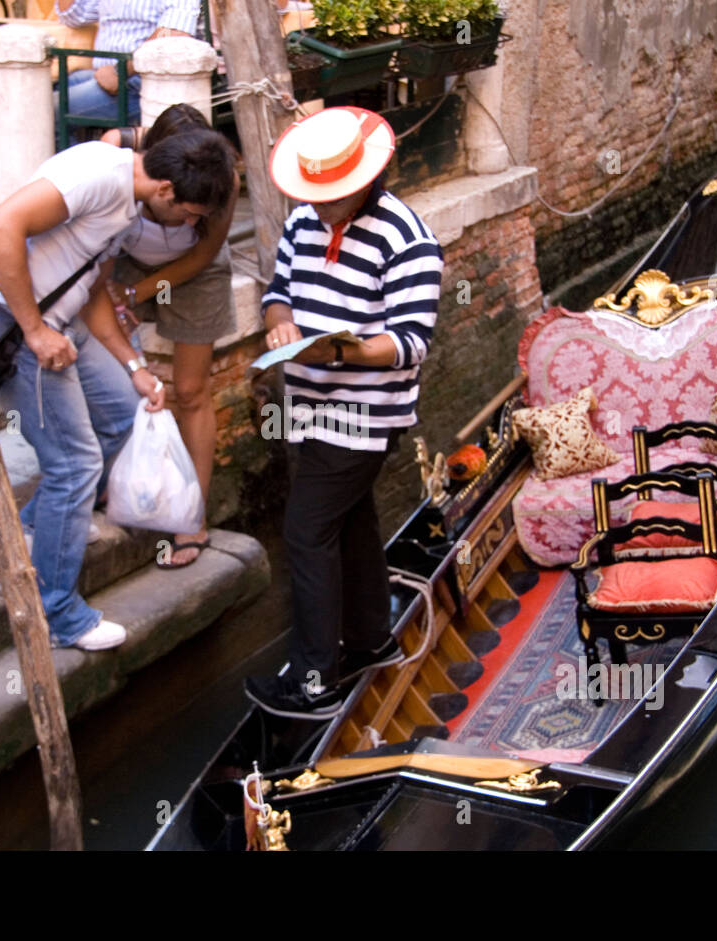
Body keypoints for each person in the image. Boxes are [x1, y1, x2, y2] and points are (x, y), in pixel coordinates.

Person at [0, 128, 236, 650]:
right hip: (11, 324)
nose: (190, 227)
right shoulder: (99, 174)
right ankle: (59, 617)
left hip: (62, 321)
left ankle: (37, 529)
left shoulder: (129, 202)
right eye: (189, 214)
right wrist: (34, 330)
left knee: (126, 416)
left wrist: (134, 365)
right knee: (75, 465)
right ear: (166, 190)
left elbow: (92, 286)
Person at [244, 107, 444, 718]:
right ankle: (369, 640)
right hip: (307, 404)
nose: (317, 206)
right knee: (351, 522)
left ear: (364, 179)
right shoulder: (304, 222)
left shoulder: (409, 241)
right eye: (312, 194)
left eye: (329, 196)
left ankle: (313, 684)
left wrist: (343, 348)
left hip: (363, 414)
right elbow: (278, 295)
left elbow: (411, 342)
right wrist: (281, 328)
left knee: (306, 533)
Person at [98, 104, 240, 568]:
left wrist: (135, 295)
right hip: (126, 258)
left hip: (195, 270)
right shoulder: (117, 151)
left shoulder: (223, 179)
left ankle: (189, 513)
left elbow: (202, 256)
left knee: (193, 391)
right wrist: (115, 293)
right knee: (113, 381)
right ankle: (117, 487)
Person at [54, 0, 199, 128]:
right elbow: (74, 16)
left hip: (142, 82)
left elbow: (175, 32)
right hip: (106, 73)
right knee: (44, 91)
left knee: (49, 109)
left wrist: (120, 71)